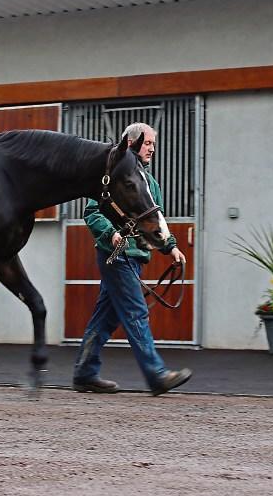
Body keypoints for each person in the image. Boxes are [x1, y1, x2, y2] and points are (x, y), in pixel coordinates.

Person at [72, 122, 192, 396]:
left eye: (153, 144)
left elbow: (154, 220)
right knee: (136, 311)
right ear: (133, 143)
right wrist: (111, 233)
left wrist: (170, 246)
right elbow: (92, 212)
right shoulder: (112, 175)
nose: (152, 149)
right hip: (116, 255)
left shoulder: (149, 183)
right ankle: (156, 374)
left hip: (136, 256)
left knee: (105, 318)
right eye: (148, 143)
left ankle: (84, 373)